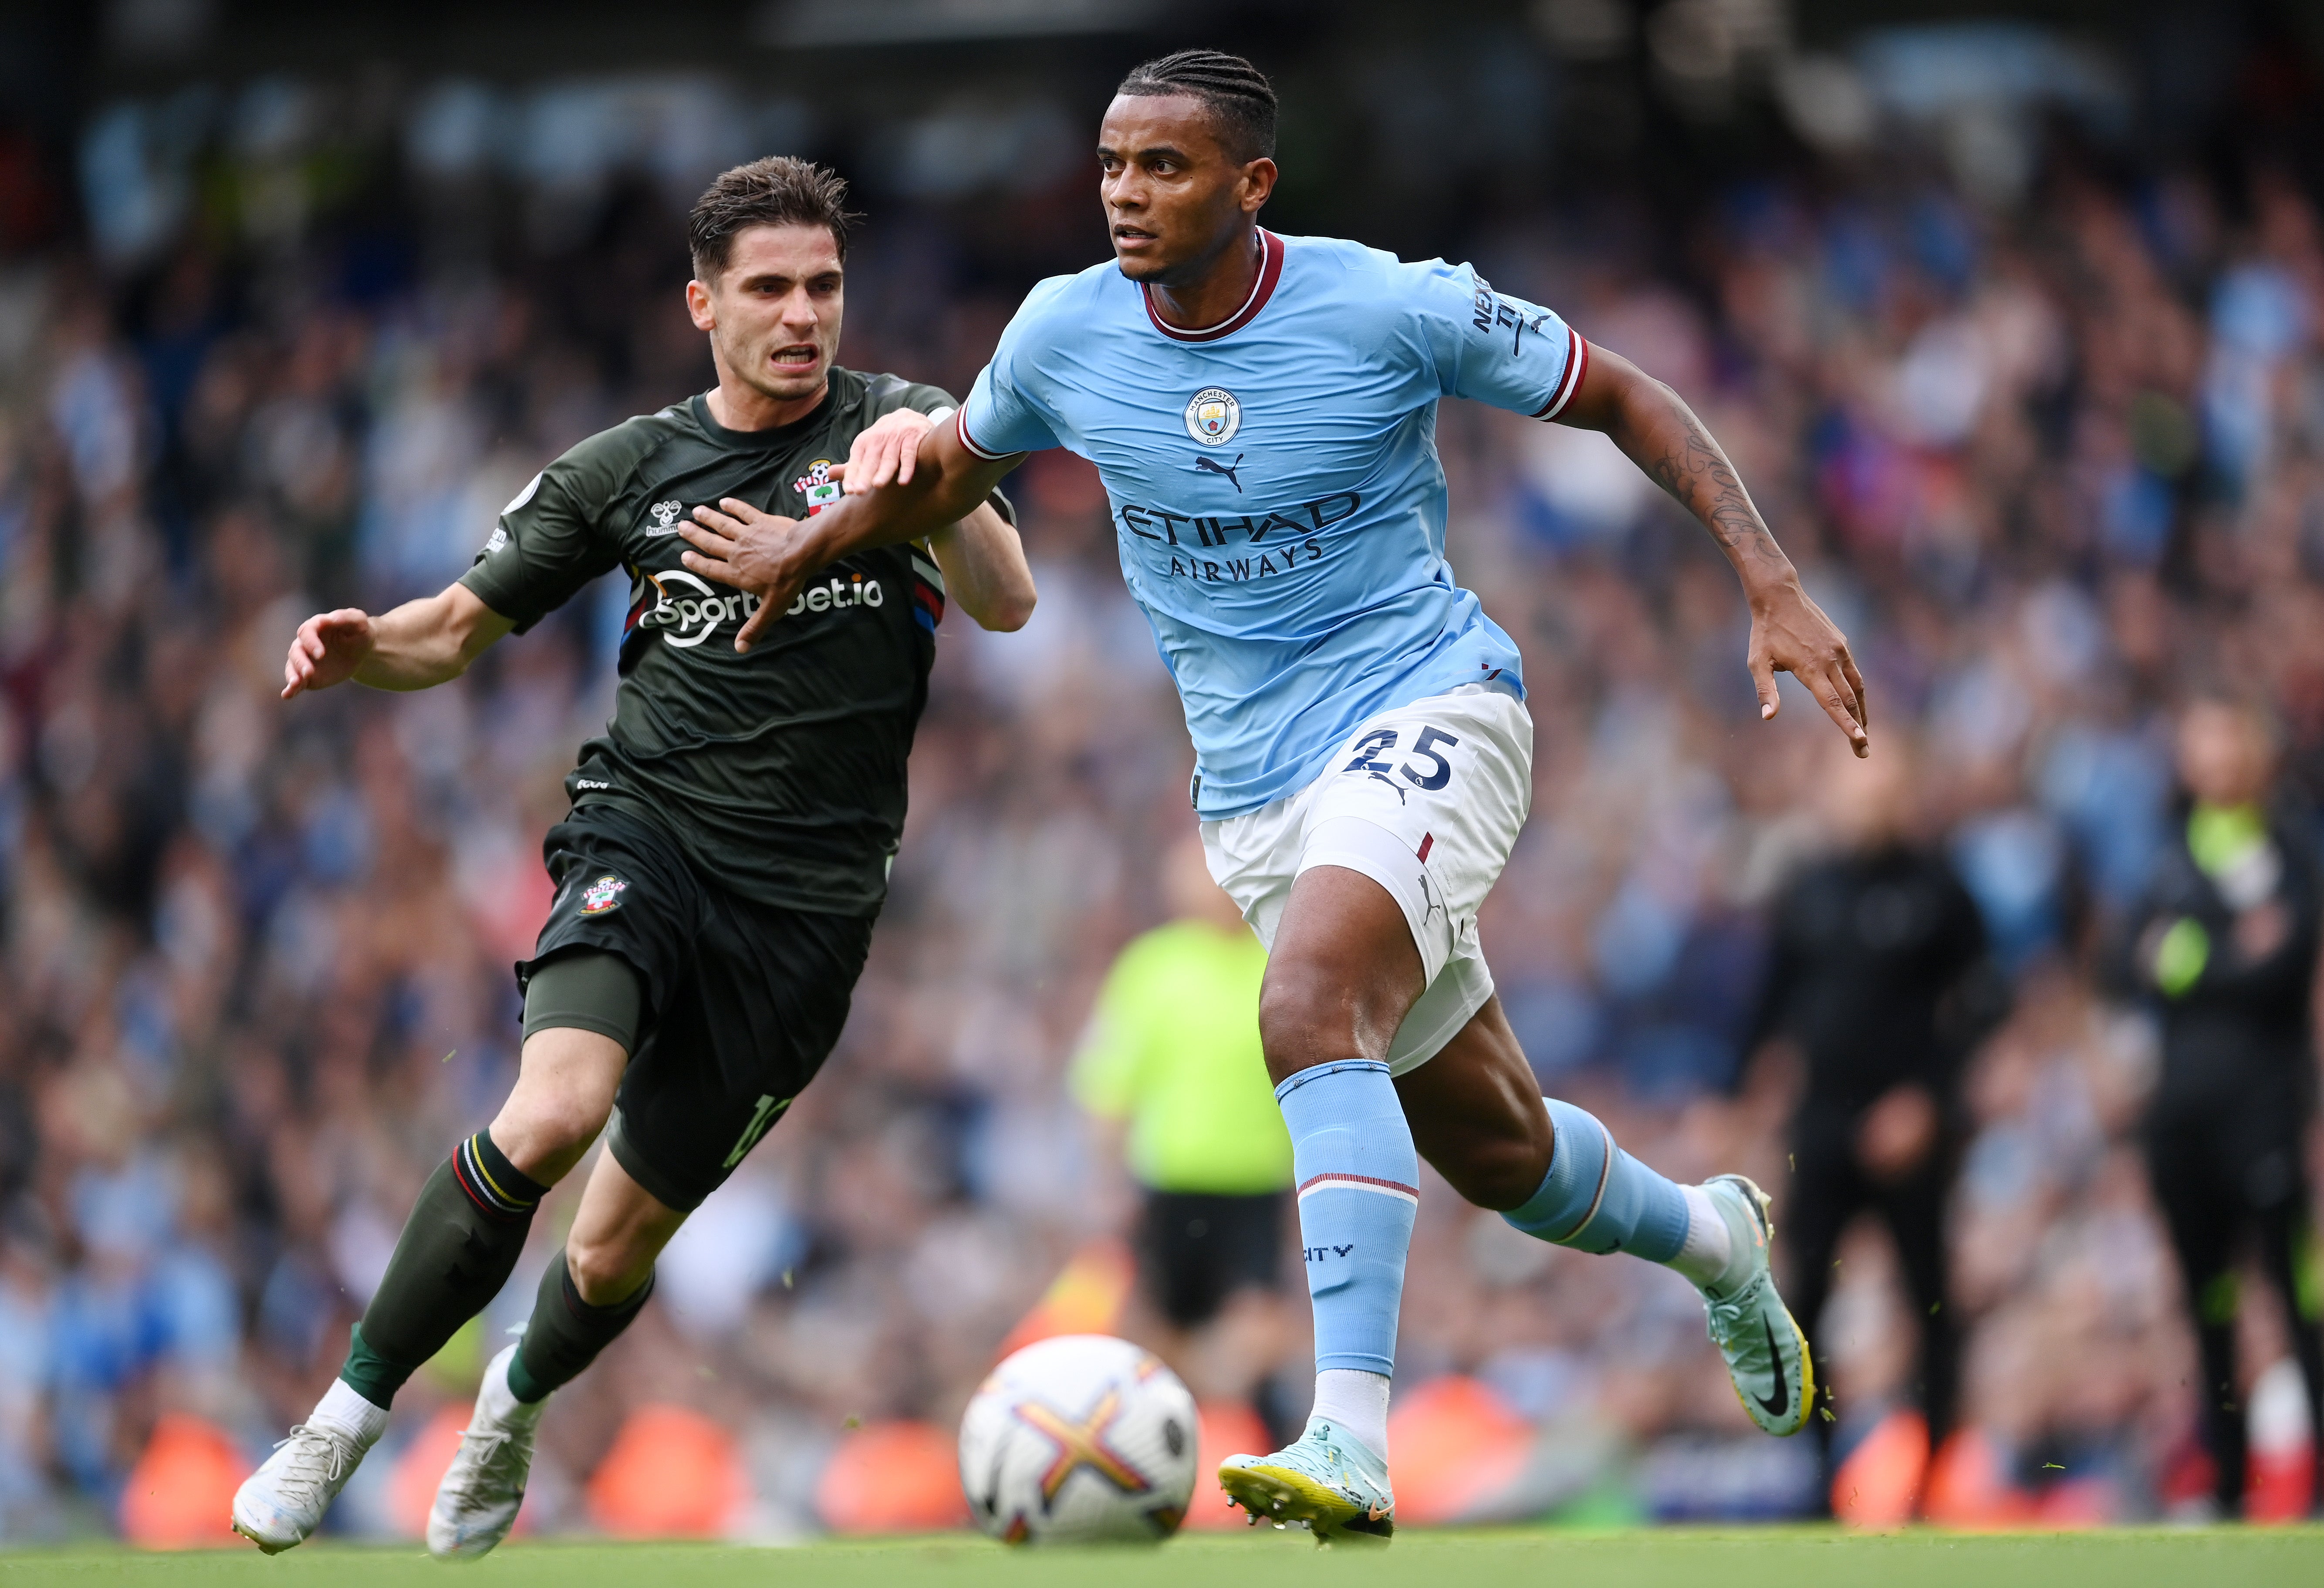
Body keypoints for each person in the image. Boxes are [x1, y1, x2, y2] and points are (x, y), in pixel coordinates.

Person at [676, 51, 1869, 1538]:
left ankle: (1347, 1438)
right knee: (1500, 1150)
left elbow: (1618, 391)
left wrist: (1770, 578)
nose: (1126, 193)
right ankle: (1716, 1240)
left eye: (1165, 168)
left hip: (1433, 704)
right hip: (1255, 791)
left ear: (1253, 185)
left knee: (1306, 1006)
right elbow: (954, 472)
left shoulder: (1386, 304)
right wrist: (815, 543)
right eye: (1113, 164)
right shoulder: (1063, 330)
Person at [229, 157, 1037, 1558]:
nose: (803, 316)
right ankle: (338, 1426)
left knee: (608, 1252)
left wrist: (938, 489)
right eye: (770, 290)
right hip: (642, 836)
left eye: (824, 287)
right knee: (549, 1112)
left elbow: (1009, 603)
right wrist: (365, 652)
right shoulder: (625, 469)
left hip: (809, 916)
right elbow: (451, 631)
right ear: (701, 305)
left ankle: (513, 1401)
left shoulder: (910, 424)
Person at [1742, 741, 2000, 1483]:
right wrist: (1742, 1088)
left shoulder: (1939, 888)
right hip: (1822, 1125)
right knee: (1805, 1297)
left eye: (1887, 786)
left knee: (1927, 1296)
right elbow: (1772, 1002)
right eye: (1857, 787)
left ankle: (1935, 1467)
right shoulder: (1809, 888)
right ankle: (1817, 1472)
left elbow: (1983, 1002)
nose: (1870, 801)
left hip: (1908, 1129)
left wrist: (1929, 1099)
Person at [2129, 694, 2324, 1517]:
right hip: (2181, 1122)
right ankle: (2225, 1483)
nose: (2210, 757)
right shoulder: (2170, 854)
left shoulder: (2291, 847)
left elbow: (2284, 962)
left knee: (2294, 1289)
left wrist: (2186, 957)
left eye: (2224, 737)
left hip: (2268, 1111)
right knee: (2207, 1300)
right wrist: (2222, 954)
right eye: (2197, 741)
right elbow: (2128, 959)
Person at [1071, 829, 1293, 1410]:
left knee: (1257, 1326)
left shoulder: (1278, 962)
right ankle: (1181, 1422)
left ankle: (1238, 1417)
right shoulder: (1151, 968)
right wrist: (1109, 1179)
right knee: (1160, 1330)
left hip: (1255, 1182)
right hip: (1170, 1181)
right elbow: (1109, 1082)